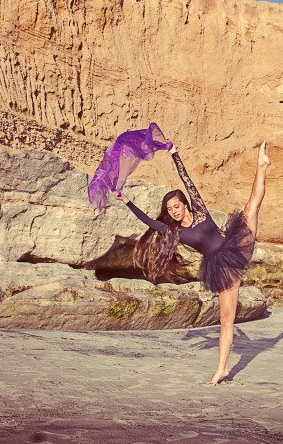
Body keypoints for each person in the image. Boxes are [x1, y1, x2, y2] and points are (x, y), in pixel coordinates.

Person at [114, 140, 271, 384]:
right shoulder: (174, 231)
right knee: (226, 320)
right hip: (222, 269)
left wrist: (175, 154)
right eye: (170, 209)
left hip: (236, 247)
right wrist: (127, 202)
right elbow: (149, 221)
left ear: (185, 204)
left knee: (251, 207)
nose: (174, 211)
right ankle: (222, 369)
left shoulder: (199, 211)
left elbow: (186, 179)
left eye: (176, 206)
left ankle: (261, 165)